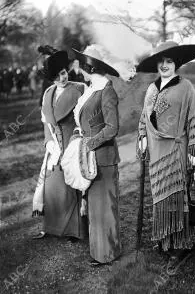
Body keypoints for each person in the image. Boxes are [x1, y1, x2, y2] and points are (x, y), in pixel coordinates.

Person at [136, 40, 195, 267]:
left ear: (176, 63)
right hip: (156, 154)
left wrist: (193, 154)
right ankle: (165, 237)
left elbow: (193, 119)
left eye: (169, 61)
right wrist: (142, 138)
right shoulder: (151, 89)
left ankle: (180, 245)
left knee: (177, 196)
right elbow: (143, 119)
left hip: (177, 150)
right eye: (161, 61)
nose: (165, 65)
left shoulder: (186, 87)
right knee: (160, 197)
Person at [72, 45, 122, 266]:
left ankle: (108, 253)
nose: (79, 70)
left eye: (81, 66)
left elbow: (112, 128)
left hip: (104, 157)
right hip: (91, 156)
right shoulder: (92, 88)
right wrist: (79, 135)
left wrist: (90, 143)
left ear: (88, 67)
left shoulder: (106, 90)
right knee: (95, 206)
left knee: (105, 206)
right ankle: (98, 251)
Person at [32, 50, 88, 241]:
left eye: (63, 73)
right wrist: (48, 142)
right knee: (52, 186)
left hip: (73, 144)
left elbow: (86, 118)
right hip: (55, 146)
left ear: (68, 71)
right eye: (57, 76)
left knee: (73, 185)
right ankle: (51, 227)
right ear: (52, 79)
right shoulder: (48, 93)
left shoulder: (80, 88)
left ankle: (75, 230)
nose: (62, 78)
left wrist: (78, 138)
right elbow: (46, 122)